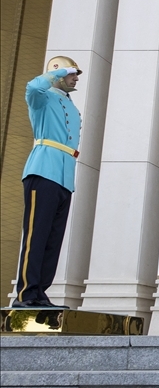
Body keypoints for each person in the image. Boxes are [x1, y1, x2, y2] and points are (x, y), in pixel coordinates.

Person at [13, 56, 83, 309]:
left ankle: (39, 292)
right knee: (37, 235)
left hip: (64, 175)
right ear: (57, 74)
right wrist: (57, 72)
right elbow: (33, 87)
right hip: (43, 170)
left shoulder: (69, 103)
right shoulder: (42, 98)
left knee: (53, 239)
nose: (76, 78)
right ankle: (25, 293)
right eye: (72, 73)